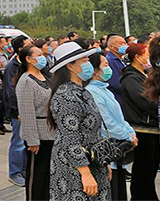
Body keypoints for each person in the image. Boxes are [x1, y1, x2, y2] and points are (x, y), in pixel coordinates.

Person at [47, 42, 110, 200]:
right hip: (75, 167)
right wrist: (85, 172)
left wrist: (103, 160)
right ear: (70, 66)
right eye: (84, 61)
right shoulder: (66, 96)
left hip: (92, 161)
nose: (89, 65)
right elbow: (70, 138)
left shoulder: (81, 90)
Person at [86, 51, 138, 201]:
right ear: (95, 70)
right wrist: (128, 136)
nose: (109, 69)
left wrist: (130, 132)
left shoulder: (104, 89)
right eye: (106, 65)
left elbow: (119, 118)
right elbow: (107, 123)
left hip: (117, 149)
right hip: (108, 151)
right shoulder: (92, 92)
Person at [15, 44, 55, 201]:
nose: (42, 58)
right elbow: (26, 112)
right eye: (38, 55)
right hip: (38, 136)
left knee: (48, 175)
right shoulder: (26, 81)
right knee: (36, 176)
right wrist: (32, 140)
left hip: (51, 133)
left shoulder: (45, 76)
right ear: (28, 59)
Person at [120, 43, 160, 201]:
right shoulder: (130, 77)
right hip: (142, 129)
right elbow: (145, 101)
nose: (149, 59)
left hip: (151, 128)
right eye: (146, 55)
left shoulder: (143, 74)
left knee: (150, 168)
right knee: (143, 168)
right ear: (137, 57)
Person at [2, 35, 29, 187]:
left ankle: (24, 169)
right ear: (20, 49)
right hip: (18, 111)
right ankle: (14, 172)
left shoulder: (27, 64)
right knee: (18, 142)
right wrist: (18, 110)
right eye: (29, 44)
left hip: (28, 110)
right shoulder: (11, 67)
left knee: (26, 142)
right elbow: (10, 92)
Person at [105, 34, 128, 103]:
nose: (124, 45)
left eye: (125, 43)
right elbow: (116, 83)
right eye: (121, 43)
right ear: (111, 47)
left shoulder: (122, 60)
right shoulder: (110, 61)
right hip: (119, 98)